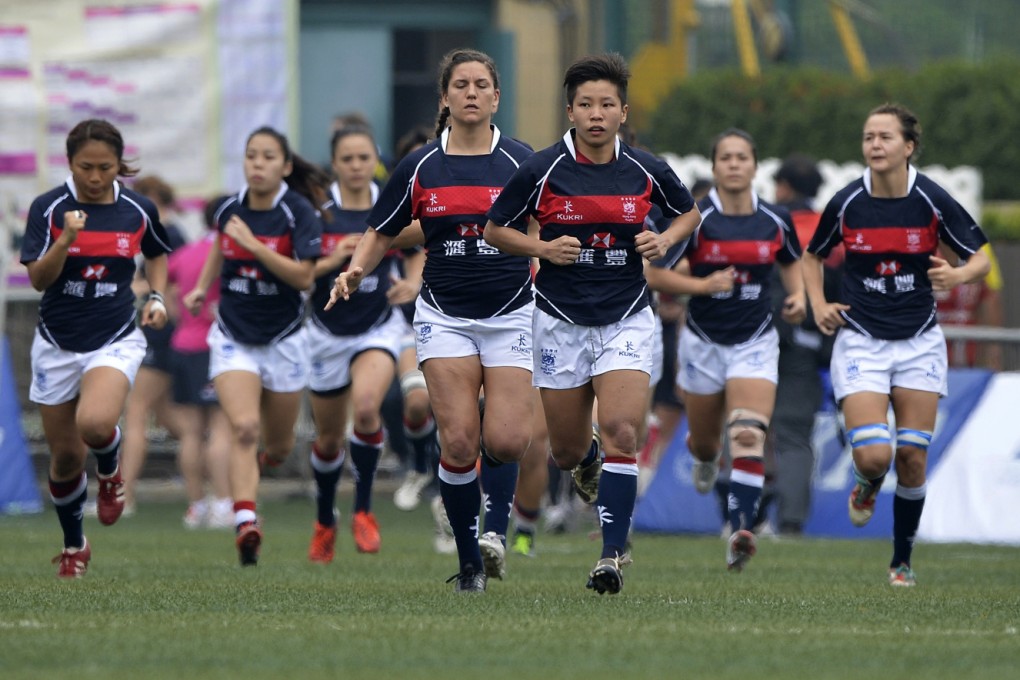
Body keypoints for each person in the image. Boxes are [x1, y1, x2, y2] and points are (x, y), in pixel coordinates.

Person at [483, 53, 702, 594]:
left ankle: (610, 556)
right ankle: (589, 463)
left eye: (607, 104)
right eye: (586, 104)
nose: (597, 114)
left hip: (626, 316)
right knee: (563, 450)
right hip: (558, 320)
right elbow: (493, 230)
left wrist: (665, 240)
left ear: (623, 112)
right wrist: (541, 247)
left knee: (624, 428)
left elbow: (689, 212)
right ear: (570, 111)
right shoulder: (541, 168)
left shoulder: (647, 168)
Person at [328, 48, 535, 593]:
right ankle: (471, 563)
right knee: (462, 442)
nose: (471, 93)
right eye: (460, 85)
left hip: (512, 312)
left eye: (481, 84)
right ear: (444, 98)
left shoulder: (521, 161)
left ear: (496, 96)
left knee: (509, 440)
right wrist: (353, 270)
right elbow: (382, 229)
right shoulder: (420, 165)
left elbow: (552, 219)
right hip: (443, 316)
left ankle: (496, 534)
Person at [804, 103, 989, 587]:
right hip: (862, 341)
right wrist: (819, 301)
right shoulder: (847, 202)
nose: (875, 145)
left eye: (885, 137)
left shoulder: (931, 199)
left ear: (908, 147)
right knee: (875, 458)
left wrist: (958, 273)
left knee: (911, 457)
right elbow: (812, 256)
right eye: (869, 137)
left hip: (919, 343)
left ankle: (901, 559)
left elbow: (981, 258)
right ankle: (867, 483)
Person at [20, 119, 172, 577]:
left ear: (119, 165)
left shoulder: (138, 209)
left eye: (105, 167)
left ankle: (110, 471)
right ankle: (74, 546)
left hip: (114, 336)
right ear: (70, 163)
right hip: (56, 342)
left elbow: (157, 252)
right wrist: (66, 238)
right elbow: (39, 279)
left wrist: (158, 297)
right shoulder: (48, 208)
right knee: (65, 457)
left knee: (95, 423)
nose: (94, 176)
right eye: (85, 166)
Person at [183, 127, 323, 566]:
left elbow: (304, 278)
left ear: (284, 166)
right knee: (243, 427)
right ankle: (246, 521)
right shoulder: (230, 208)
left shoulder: (298, 212)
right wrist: (202, 289)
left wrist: (254, 247)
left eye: (267, 157)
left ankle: (254, 473)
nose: (257, 164)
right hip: (233, 336)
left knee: (277, 449)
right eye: (251, 156)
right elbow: (219, 251)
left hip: (283, 340)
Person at [668, 128, 806, 571]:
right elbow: (655, 276)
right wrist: (701, 285)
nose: (733, 164)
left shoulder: (776, 218)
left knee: (748, 434)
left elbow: (791, 262)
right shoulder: (695, 219)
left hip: (756, 340)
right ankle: (705, 459)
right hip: (703, 342)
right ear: (713, 167)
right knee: (708, 444)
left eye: (741, 157)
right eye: (724, 157)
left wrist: (799, 297)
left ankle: (740, 529)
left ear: (754, 166)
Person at [305, 124, 424, 561]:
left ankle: (363, 510)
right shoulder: (319, 210)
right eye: (347, 159)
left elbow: (415, 248)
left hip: (378, 326)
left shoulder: (389, 197)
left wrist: (412, 283)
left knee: (369, 408)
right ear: (335, 163)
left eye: (363, 158)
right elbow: (302, 270)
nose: (357, 167)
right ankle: (324, 518)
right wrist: (336, 260)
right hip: (326, 331)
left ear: (374, 159)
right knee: (330, 439)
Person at [768, 153, 838, 535]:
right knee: (794, 435)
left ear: (783, 187)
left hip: (757, 337)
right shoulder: (831, 228)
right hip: (808, 345)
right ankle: (791, 522)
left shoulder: (770, 222)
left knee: (745, 424)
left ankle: (746, 513)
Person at [120, 175, 188, 515]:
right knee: (170, 417)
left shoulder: (168, 233)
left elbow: (173, 285)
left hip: (160, 335)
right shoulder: (165, 232)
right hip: (158, 333)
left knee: (135, 412)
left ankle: (124, 496)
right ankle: (215, 461)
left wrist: (137, 287)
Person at [168, 194, 233, 529]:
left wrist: (178, 313)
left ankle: (196, 507)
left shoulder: (183, 254)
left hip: (182, 345)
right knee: (221, 431)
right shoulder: (227, 253)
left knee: (191, 434)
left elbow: (159, 286)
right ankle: (223, 504)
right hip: (214, 347)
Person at [934, 242, 1003, 369]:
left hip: (966, 356)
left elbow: (991, 296)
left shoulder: (980, 247)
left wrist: (993, 351)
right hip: (929, 358)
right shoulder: (921, 244)